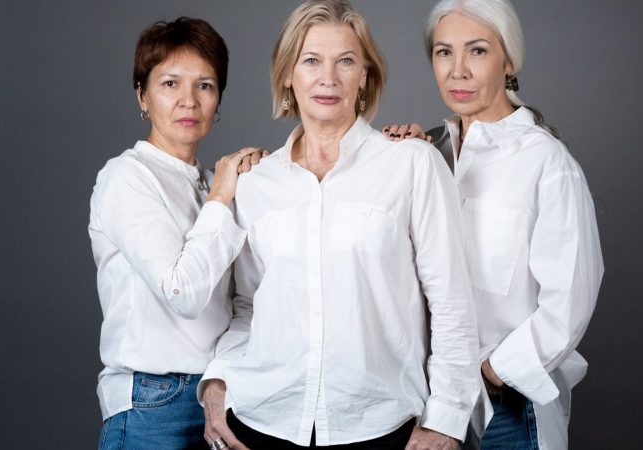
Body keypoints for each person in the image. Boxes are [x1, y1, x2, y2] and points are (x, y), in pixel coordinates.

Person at [198, 1, 483, 449]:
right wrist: (217, 386)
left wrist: (446, 421)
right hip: (264, 423)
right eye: (311, 60)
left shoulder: (412, 163)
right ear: (288, 73)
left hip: (380, 426)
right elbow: (249, 306)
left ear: (365, 75)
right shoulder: (256, 182)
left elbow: (451, 304)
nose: (328, 77)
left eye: (345, 61)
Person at [382, 1, 604, 449]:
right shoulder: (427, 154)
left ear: (509, 61)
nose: (458, 70)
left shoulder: (546, 163)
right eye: (444, 53)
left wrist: (489, 372)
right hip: (421, 402)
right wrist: (389, 163)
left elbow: (570, 302)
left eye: (477, 51)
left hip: (508, 408)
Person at [88, 17, 265, 449]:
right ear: (141, 95)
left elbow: (244, 302)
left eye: (205, 85)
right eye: (170, 84)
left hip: (218, 396)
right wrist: (224, 194)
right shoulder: (126, 177)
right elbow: (182, 292)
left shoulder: (210, 182)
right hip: (152, 403)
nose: (188, 100)